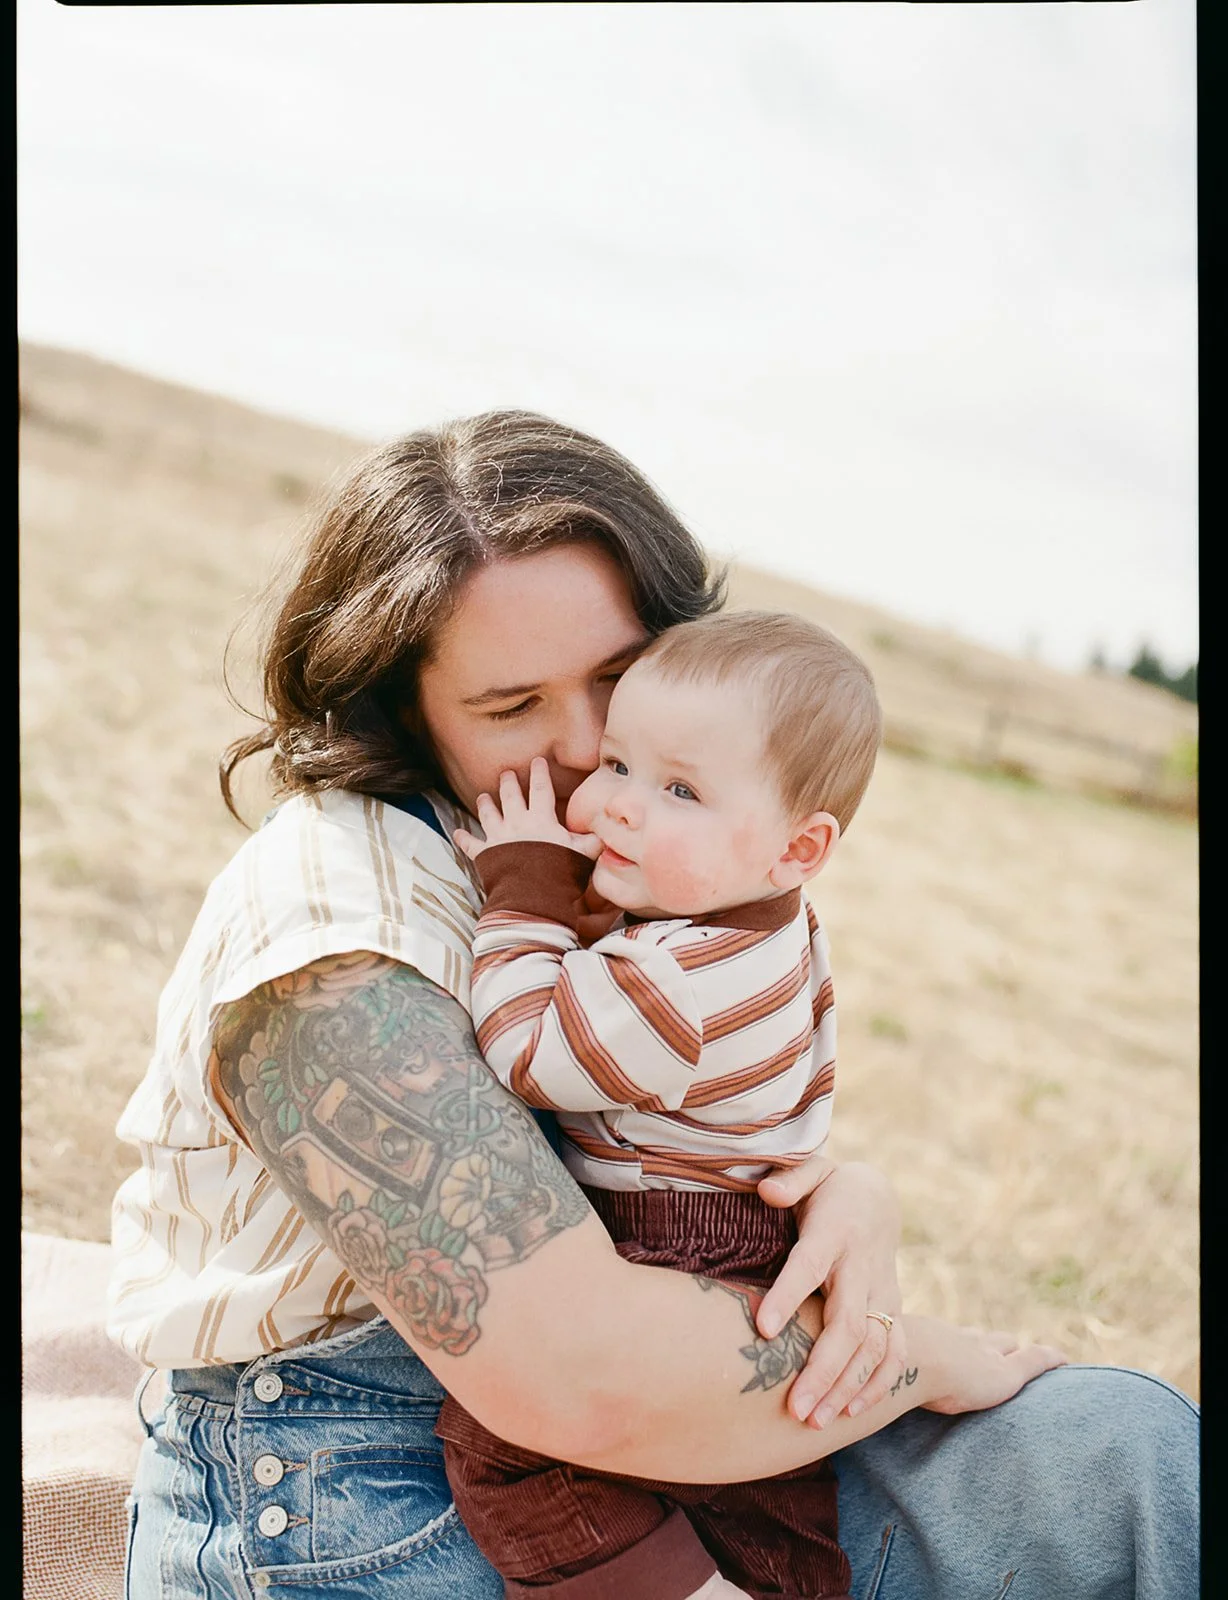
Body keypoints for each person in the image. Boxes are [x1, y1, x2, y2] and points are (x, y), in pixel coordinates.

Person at [106, 409, 1199, 1600]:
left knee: (1130, 1452)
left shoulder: (614, 842)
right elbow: (582, 1377)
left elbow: (678, 1092)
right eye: (512, 706)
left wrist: (839, 1186)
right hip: (351, 1475)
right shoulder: (327, 949)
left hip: (673, 1399)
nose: (590, 754)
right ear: (400, 711)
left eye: (620, 680)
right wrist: (918, 1355)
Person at [436, 609, 884, 1599]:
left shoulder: (678, 984)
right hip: (742, 1234)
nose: (617, 805)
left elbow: (529, 1049)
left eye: (679, 789)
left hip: (672, 1237)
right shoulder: (764, 924)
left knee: (506, 1443)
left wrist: (526, 894)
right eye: (622, 763)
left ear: (797, 846)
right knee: (754, 1491)